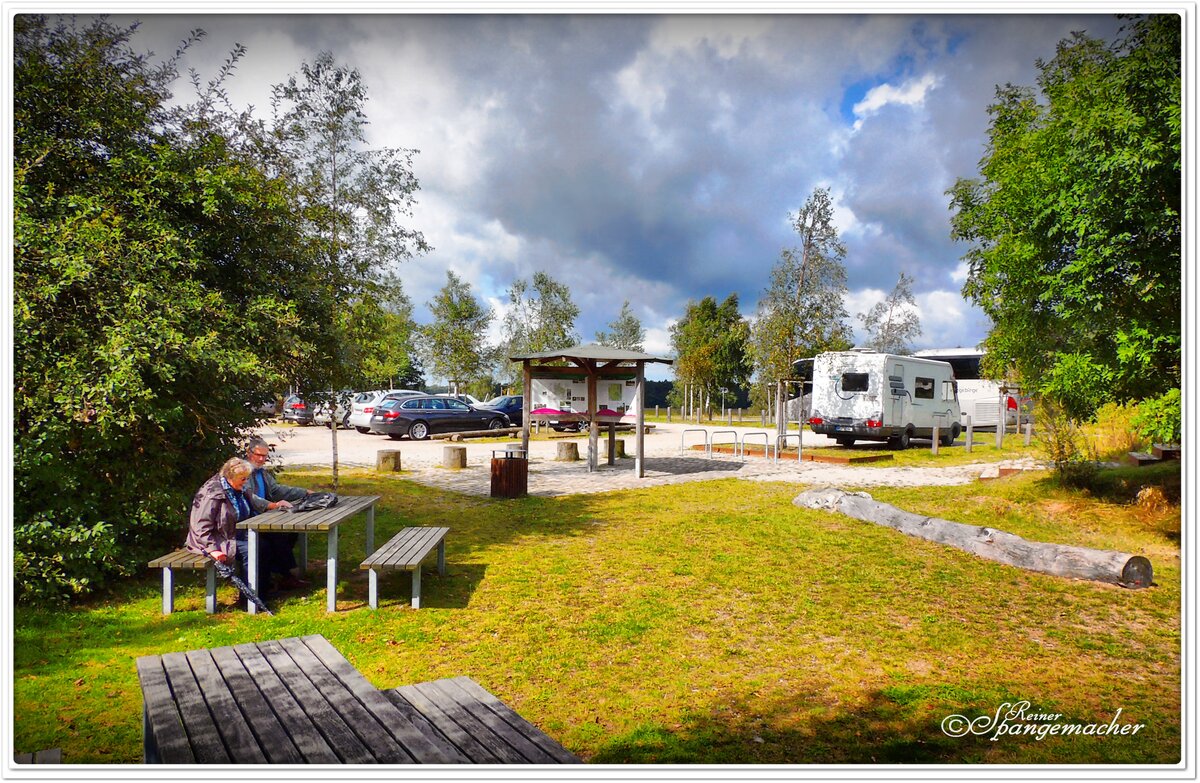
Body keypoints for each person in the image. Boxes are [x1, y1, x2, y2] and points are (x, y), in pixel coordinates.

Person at [185, 457, 293, 598]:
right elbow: (199, 527)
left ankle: (265, 589)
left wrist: (273, 505)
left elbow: (254, 500)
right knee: (253, 550)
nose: (246, 482)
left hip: (234, 534)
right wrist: (212, 550)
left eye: (247, 478)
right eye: (243, 479)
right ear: (231, 477)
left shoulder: (237, 487)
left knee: (271, 541)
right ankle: (249, 598)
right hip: (215, 541)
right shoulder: (211, 493)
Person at [244, 437, 312, 590]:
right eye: (258, 455)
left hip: (264, 517)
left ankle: (280, 572)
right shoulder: (244, 472)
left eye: (265, 456)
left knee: (291, 531)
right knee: (277, 536)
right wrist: (272, 505)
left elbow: (276, 490)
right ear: (249, 453)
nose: (261, 459)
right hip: (247, 520)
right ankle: (286, 575)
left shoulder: (261, 472)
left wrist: (305, 492)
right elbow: (250, 497)